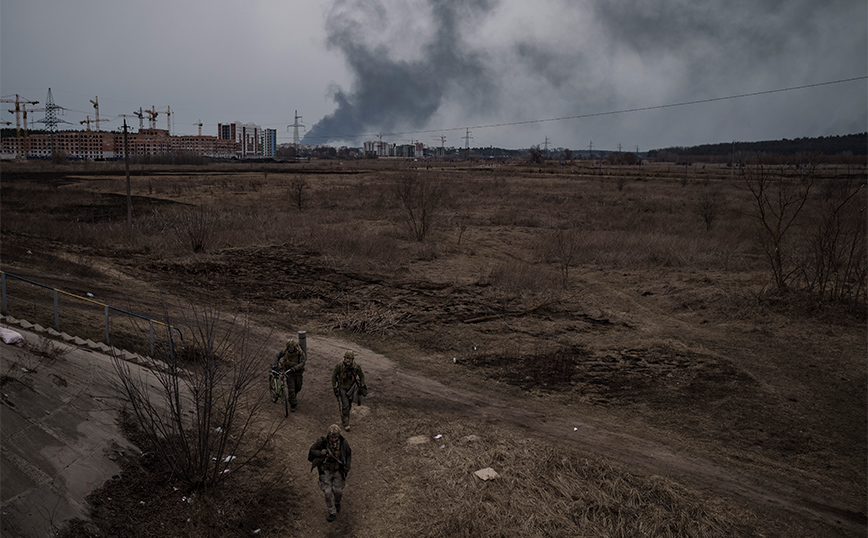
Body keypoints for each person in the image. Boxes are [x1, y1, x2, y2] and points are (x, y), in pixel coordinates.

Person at [308, 424, 352, 522]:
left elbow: (348, 454)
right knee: (327, 493)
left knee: (338, 491)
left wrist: (347, 467)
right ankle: (331, 511)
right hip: (325, 470)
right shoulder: (322, 442)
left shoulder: (343, 443)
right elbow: (312, 450)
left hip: (338, 470)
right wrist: (321, 453)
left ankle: (337, 502)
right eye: (332, 437)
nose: (333, 439)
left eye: (335, 437)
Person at [331, 350, 367, 431]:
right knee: (345, 405)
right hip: (342, 388)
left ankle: (345, 417)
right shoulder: (339, 365)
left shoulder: (356, 367)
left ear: (352, 359)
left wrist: (362, 385)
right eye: (346, 358)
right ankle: (346, 423)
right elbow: (333, 376)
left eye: (349, 358)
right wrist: (334, 386)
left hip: (352, 388)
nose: (348, 360)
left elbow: (362, 376)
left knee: (349, 405)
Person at [275, 338, 307, 412]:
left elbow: (302, 362)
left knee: (298, 387)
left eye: (292, 347)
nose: (290, 349)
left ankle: (293, 396)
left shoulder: (300, 352)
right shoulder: (285, 351)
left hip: (298, 373)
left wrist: (295, 368)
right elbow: (277, 355)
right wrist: (275, 364)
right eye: (289, 348)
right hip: (289, 373)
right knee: (291, 389)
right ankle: (293, 404)